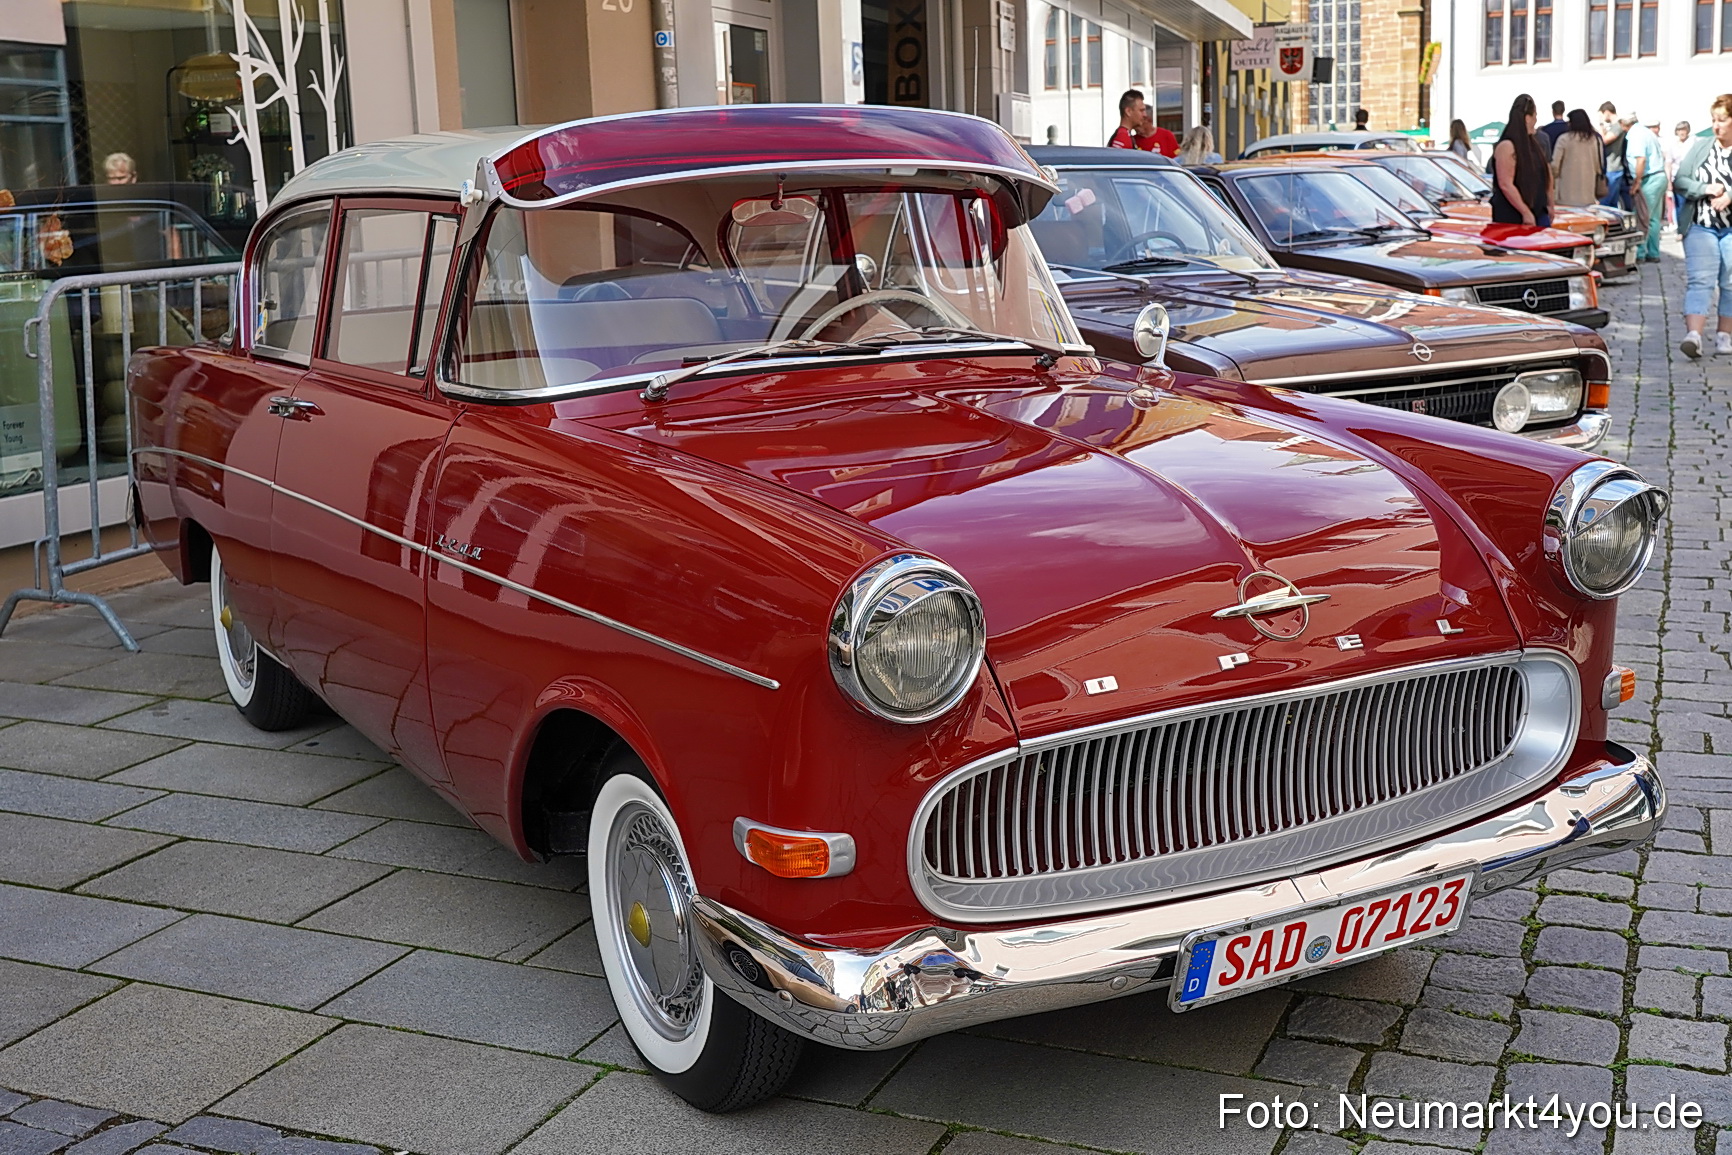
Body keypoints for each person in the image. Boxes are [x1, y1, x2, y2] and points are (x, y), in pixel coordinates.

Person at [1674, 94, 1732, 358]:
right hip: (1701, 225)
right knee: (1700, 280)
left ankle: (1724, 337)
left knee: (1730, 282)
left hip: (1730, 228)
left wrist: (1730, 194)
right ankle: (1693, 336)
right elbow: (1681, 180)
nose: (1716, 126)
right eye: (1713, 120)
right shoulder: (1701, 147)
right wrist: (1705, 188)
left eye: (1722, 120)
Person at [1492, 93, 1553, 227]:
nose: (1536, 120)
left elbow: (1547, 174)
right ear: (1527, 118)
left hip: (1539, 210)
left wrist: (1550, 204)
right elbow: (1505, 183)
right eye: (1535, 116)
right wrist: (1525, 211)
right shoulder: (1507, 146)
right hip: (1512, 216)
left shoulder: (1535, 144)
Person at [1622, 111, 1666, 260]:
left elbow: (1641, 159)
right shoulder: (1645, 132)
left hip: (1649, 179)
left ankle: (1640, 252)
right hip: (1658, 176)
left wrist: (1637, 182)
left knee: (1641, 216)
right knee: (1653, 218)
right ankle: (1653, 252)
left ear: (1624, 124)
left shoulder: (1635, 135)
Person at [1551, 109, 1606, 207]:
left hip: (1565, 194)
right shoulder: (1595, 140)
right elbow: (1599, 166)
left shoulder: (1563, 139)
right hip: (1588, 194)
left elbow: (1554, 166)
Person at [1599, 102, 1628, 209]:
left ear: (1607, 112)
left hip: (1613, 168)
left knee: (1605, 203)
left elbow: (1604, 141)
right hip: (1613, 168)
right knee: (1612, 203)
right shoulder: (1615, 127)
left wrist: (1601, 126)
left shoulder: (1617, 127)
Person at [1666, 121, 1693, 227]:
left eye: (1684, 130)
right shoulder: (1672, 146)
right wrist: (1668, 182)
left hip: (1691, 178)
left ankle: (1691, 226)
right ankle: (1681, 228)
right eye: (1679, 130)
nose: (1682, 132)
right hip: (1677, 178)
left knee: (1691, 204)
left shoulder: (1694, 142)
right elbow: (1668, 164)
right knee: (1679, 205)